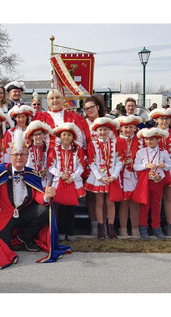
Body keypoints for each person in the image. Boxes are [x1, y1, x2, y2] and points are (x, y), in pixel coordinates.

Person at [0, 129, 71, 270]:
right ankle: (15, 239)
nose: (19, 157)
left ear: (27, 156)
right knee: (3, 248)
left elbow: (37, 195)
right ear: (10, 156)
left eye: (22, 154)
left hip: (23, 213)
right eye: (15, 154)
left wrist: (46, 196)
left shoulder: (31, 173)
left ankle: (24, 237)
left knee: (44, 209)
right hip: (3, 216)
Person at [84, 117, 123, 239]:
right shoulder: (93, 144)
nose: (103, 132)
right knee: (99, 203)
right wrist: (100, 177)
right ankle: (100, 227)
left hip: (112, 176)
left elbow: (119, 160)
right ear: (96, 131)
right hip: (98, 178)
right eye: (100, 130)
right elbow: (91, 162)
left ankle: (110, 227)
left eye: (105, 129)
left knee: (110, 203)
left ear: (110, 130)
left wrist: (114, 176)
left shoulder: (116, 143)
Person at [48, 122, 86, 241]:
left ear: (72, 137)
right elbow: (50, 166)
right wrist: (61, 175)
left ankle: (70, 231)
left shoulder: (77, 150)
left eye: (69, 135)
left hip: (72, 181)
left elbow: (81, 166)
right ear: (60, 136)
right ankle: (60, 231)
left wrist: (73, 177)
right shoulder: (54, 150)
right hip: (59, 181)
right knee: (60, 208)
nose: (66, 137)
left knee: (71, 208)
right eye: (64, 135)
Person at [133, 128, 171, 240]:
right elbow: (135, 166)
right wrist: (146, 166)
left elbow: (169, 165)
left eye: (152, 139)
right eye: (147, 139)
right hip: (146, 181)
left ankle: (156, 228)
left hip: (158, 181)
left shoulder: (163, 152)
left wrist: (164, 165)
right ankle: (143, 228)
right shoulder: (141, 152)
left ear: (158, 140)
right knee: (144, 205)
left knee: (156, 205)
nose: (149, 142)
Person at [83, 96, 108, 235]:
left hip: (105, 165)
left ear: (98, 107)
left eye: (92, 107)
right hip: (89, 164)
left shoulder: (107, 123)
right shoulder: (84, 123)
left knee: (105, 196)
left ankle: (104, 223)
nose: (89, 110)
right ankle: (94, 223)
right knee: (91, 196)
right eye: (87, 108)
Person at [115, 115, 143, 237]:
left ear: (135, 128)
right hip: (121, 174)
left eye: (130, 127)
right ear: (121, 128)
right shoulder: (116, 141)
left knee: (135, 203)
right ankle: (123, 229)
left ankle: (135, 229)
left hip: (135, 174)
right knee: (124, 202)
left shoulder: (139, 141)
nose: (127, 130)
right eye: (125, 127)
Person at [148, 108, 171, 236]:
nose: (164, 121)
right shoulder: (150, 133)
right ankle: (154, 225)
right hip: (152, 171)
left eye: (167, 118)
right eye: (161, 118)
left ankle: (168, 224)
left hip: (168, 168)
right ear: (156, 120)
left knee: (168, 198)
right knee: (154, 200)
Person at [23, 120, 52, 188]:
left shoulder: (49, 148)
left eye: (40, 134)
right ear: (31, 137)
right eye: (35, 135)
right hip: (31, 180)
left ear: (44, 134)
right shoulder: (27, 150)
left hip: (46, 180)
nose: (38, 137)